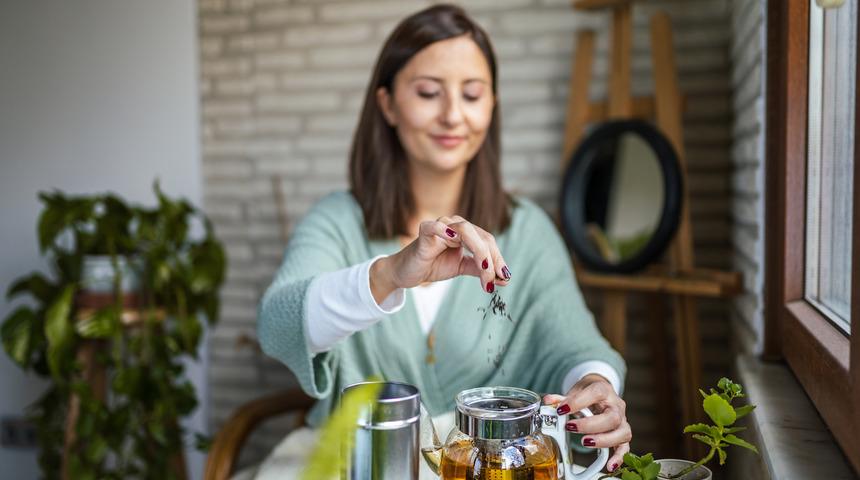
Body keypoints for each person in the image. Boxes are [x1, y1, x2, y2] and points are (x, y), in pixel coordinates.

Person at [257, 3, 631, 475]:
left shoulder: (529, 230)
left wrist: (596, 386)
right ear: (388, 104)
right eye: (430, 92)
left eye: (472, 95)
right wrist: (390, 274)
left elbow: (574, 343)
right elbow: (277, 324)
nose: (454, 115)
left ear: (492, 105)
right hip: (354, 463)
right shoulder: (338, 220)